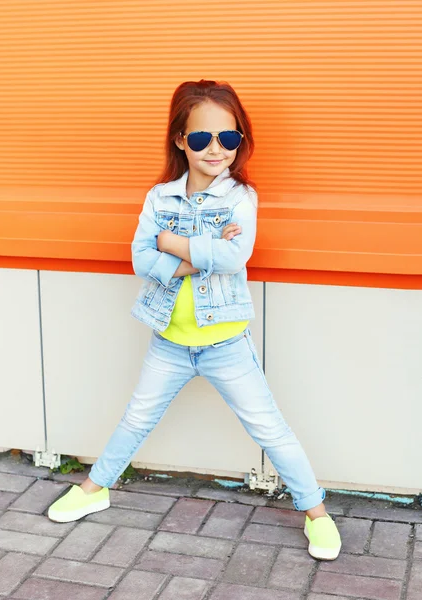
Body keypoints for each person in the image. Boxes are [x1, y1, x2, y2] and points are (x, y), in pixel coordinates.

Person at [48, 79, 341, 561]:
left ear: (239, 141)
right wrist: (193, 254)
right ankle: (94, 487)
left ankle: (318, 514)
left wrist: (170, 243)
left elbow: (233, 255)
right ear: (181, 139)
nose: (216, 149)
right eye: (202, 138)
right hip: (170, 340)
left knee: (270, 430)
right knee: (136, 418)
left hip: (226, 342)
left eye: (229, 138)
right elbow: (140, 258)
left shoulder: (240, 197)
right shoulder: (160, 197)